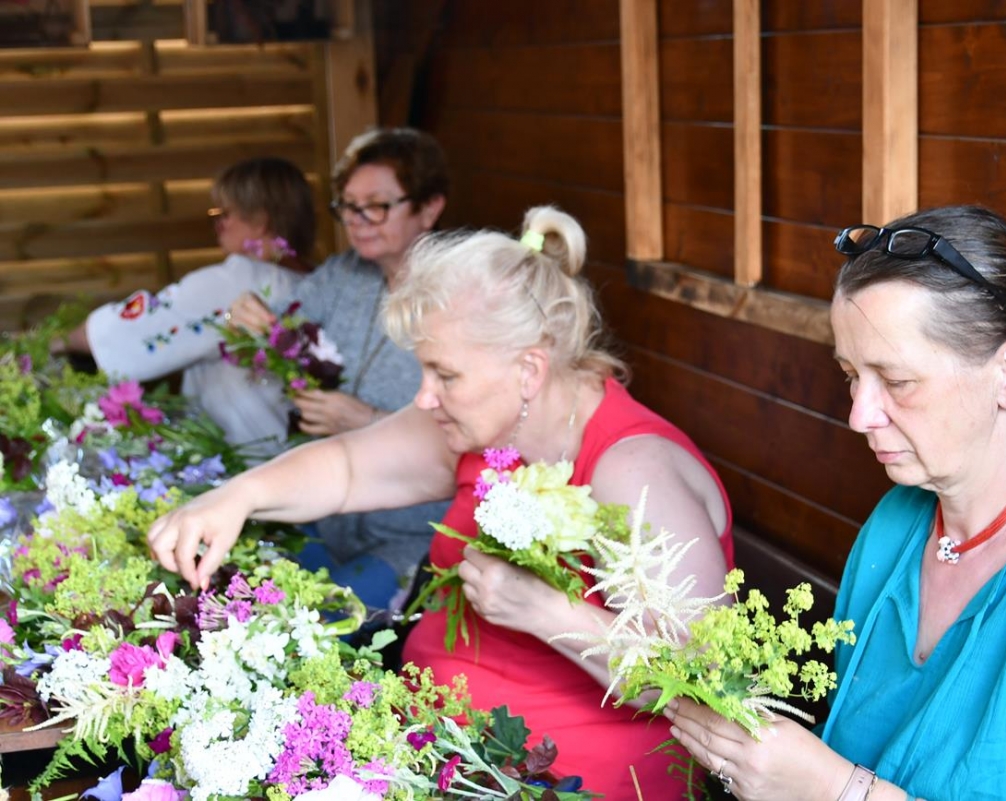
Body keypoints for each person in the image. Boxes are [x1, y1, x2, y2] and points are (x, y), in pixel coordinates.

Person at [147, 205, 737, 798]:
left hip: (563, 782)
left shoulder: (635, 471)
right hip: (435, 750)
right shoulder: (488, 423)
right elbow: (346, 468)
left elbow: (695, 681)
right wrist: (236, 497)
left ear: (529, 370)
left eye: (444, 375)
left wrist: (545, 610)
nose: (425, 397)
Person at [664, 205, 1006, 800]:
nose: (859, 415)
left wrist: (834, 788)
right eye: (851, 375)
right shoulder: (898, 522)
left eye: (897, 381)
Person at [226, 127, 452, 610]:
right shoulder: (344, 273)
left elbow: (484, 434)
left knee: (322, 621)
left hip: (416, 534)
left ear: (430, 208)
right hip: (326, 513)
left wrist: (367, 421)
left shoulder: (464, 296)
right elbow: (278, 331)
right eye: (348, 206)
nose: (357, 220)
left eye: (376, 205)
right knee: (251, 603)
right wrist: (249, 321)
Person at [57, 156, 316, 459]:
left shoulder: (239, 279)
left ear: (261, 220)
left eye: (224, 213)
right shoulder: (318, 281)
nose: (217, 224)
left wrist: (56, 341)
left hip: (252, 460)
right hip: (305, 457)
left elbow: (133, 329)